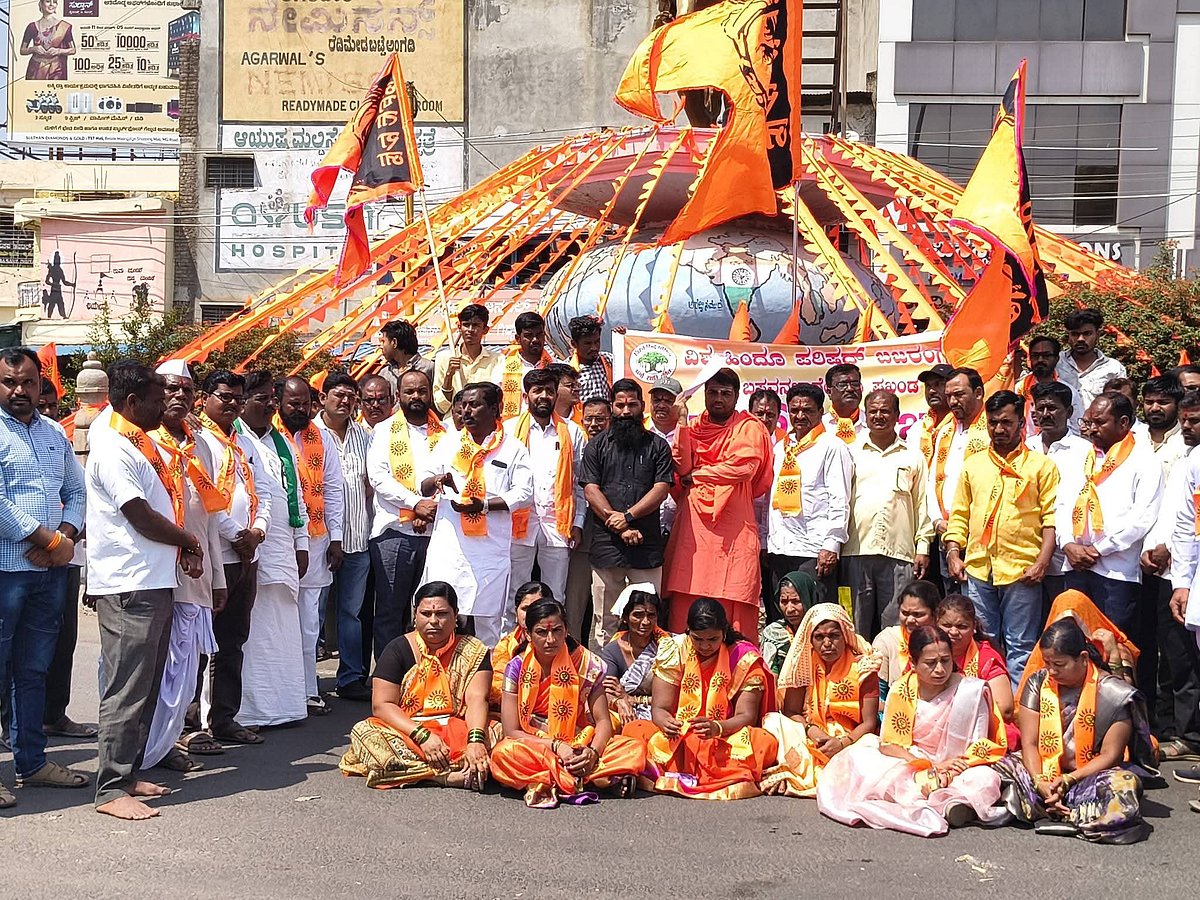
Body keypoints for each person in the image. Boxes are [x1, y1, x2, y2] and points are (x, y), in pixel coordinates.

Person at [88, 362, 203, 820]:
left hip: (152, 580)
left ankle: (128, 773)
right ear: (133, 403)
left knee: (146, 684)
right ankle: (110, 789)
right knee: (127, 688)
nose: (166, 406)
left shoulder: (136, 443)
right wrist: (188, 539)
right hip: (129, 584)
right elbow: (139, 514)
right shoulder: (113, 448)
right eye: (158, 399)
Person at [816, 625, 1007, 835]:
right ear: (914, 664)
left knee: (985, 778)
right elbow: (889, 744)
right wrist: (930, 765)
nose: (940, 669)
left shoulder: (971, 691)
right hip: (912, 761)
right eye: (930, 663)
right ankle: (946, 802)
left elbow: (978, 744)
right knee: (861, 756)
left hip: (958, 765)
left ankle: (948, 800)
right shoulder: (901, 689)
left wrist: (949, 769)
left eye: (945, 660)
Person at [0, 347, 86, 809]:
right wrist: (52, 541)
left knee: (33, 671)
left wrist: (66, 537)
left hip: (49, 572)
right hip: (5, 572)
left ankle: (31, 763)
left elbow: (76, 490)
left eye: (28, 382)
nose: (19, 390)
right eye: (10, 382)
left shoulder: (54, 432)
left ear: (40, 383)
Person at [995, 618, 1156, 843]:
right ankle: (1056, 807)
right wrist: (1040, 781)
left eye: (1059, 665)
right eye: (1047, 663)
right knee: (995, 770)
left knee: (1124, 783)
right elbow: (1029, 743)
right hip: (1042, 772)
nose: (1051, 671)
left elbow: (1112, 755)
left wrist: (1070, 779)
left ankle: (1062, 814)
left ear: (1082, 658)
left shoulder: (1113, 693)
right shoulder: (1038, 681)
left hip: (1087, 775)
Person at [142, 361, 227, 774]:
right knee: (157, 663)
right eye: (170, 389)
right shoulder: (145, 442)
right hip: (158, 570)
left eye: (186, 391)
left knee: (189, 661)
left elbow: (207, 519)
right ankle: (153, 743)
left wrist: (219, 577)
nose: (179, 397)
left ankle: (176, 734)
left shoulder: (203, 445)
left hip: (198, 573)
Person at [943, 390, 1059, 684]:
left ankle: (1019, 713)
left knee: (1021, 644)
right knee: (983, 641)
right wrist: (954, 554)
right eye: (993, 422)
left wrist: (1043, 562)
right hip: (979, 568)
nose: (999, 429)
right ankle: (988, 707)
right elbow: (959, 516)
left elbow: (1051, 520)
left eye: (1006, 422)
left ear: (1021, 423)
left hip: (1022, 569)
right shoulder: (974, 465)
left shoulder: (1041, 466)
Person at [491, 598, 645, 807]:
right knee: (503, 754)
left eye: (557, 630)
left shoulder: (587, 663)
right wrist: (556, 746)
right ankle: (593, 779)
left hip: (579, 741)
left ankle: (553, 780)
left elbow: (603, 722)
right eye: (541, 632)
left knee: (633, 747)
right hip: (537, 744)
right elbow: (512, 731)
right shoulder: (516, 667)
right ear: (527, 634)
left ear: (566, 630)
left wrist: (593, 753)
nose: (550, 639)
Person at [340, 582, 491, 790]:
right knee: (365, 732)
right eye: (426, 613)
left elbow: (477, 698)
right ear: (415, 615)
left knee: (496, 733)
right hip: (409, 731)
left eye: (442, 614)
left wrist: (475, 741)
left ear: (456, 616)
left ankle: (420, 771)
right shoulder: (398, 649)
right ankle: (443, 777)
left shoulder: (474, 650)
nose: (433, 621)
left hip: (458, 728)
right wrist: (422, 736)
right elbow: (382, 705)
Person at [419, 382, 533, 646]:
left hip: (489, 550)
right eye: (463, 405)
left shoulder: (513, 448)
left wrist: (482, 505)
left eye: (475, 405)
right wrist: (437, 479)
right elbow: (422, 484)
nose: (466, 411)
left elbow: (524, 493)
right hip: (450, 547)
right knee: (443, 614)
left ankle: (486, 683)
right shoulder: (449, 444)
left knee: (488, 622)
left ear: (494, 409)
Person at [663, 368, 774, 640]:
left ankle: (737, 669)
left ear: (736, 397)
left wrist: (698, 476)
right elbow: (682, 465)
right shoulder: (695, 427)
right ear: (704, 395)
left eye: (725, 393)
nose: (718, 399)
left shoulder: (749, 427)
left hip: (734, 527)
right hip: (694, 528)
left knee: (734, 598)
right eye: (712, 392)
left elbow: (744, 468)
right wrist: (682, 422)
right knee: (687, 592)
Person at [193, 371, 272, 746]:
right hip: (215, 554)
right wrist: (235, 534)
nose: (231, 405)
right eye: (224, 396)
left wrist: (257, 532)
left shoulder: (245, 443)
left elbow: (266, 491)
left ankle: (224, 717)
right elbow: (204, 497)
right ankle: (191, 725)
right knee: (197, 642)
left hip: (247, 555)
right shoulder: (196, 439)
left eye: (237, 399)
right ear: (205, 397)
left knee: (233, 641)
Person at [234, 372, 310, 728]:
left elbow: (299, 500)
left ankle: (284, 705)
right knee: (248, 627)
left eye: (270, 398)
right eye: (260, 398)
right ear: (242, 401)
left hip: (283, 548)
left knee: (281, 625)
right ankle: (246, 710)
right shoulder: (234, 438)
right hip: (247, 546)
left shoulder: (282, 444)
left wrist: (303, 542)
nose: (267, 405)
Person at [1057, 392, 1163, 633]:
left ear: (1123, 422)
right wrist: (1068, 545)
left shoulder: (1144, 461)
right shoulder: (1081, 457)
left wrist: (1098, 549)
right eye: (1089, 422)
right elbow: (1063, 503)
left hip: (1116, 572)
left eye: (1100, 422)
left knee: (1113, 646)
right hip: (1076, 566)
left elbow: (1143, 517)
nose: (1092, 429)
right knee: (1073, 641)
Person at [580, 379, 673, 646]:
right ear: (612, 408)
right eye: (620, 405)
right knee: (605, 619)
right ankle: (602, 678)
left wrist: (629, 517)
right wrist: (620, 525)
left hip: (646, 546)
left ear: (642, 407)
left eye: (632, 404)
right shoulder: (596, 447)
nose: (625, 411)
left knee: (648, 616)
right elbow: (590, 491)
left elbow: (661, 489)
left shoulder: (657, 446)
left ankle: (647, 678)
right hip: (607, 546)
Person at [276, 376, 345, 715]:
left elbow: (333, 490)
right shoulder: (267, 436)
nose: (301, 409)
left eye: (305, 403)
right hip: (278, 539)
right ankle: (279, 688)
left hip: (316, 539)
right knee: (276, 616)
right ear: (279, 403)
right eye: (293, 404)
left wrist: (336, 538)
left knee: (308, 620)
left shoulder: (323, 438)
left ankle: (307, 688)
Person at [760, 603, 880, 797]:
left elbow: (869, 722)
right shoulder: (803, 664)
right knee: (773, 721)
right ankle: (795, 771)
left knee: (872, 746)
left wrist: (842, 743)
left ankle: (801, 775)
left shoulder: (864, 666)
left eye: (834, 635)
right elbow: (791, 712)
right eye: (819, 637)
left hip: (851, 738)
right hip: (811, 733)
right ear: (811, 640)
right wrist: (811, 730)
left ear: (845, 636)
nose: (827, 643)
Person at [844, 389, 933, 638]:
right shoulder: (850, 452)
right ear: (865, 415)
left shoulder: (913, 456)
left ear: (897, 415)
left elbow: (921, 504)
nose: (879, 416)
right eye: (873, 411)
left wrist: (923, 547)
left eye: (885, 411)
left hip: (899, 554)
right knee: (853, 626)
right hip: (855, 551)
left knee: (896, 629)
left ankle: (893, 677)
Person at [368, 370, 444, 659]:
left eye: (422, 391)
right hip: (394, 534)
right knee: (390, 608)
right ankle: (390, 675)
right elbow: (378, 477)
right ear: (398, 396)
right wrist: (416, 505)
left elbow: (451, 476)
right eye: (409, 392)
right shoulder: (384, 430)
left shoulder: (446, 432)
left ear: (430, 393)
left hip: (435, 534)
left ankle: (426, 674)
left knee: (431, 609)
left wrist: (428, 508)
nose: (416, 397)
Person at [1144, 390, 1200, 760]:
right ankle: (1186, 735)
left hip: (1185, 570)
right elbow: (1181, 521)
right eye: (1187, 420)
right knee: (1178, 655)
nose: (1188, 427)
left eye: (1196, 421)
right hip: (1181, 571)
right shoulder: (1191, 459)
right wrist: (1181, 579)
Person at [766, 382, 852, 610]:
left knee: (815, 615)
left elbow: (839, 499)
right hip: (780, 547)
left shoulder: (833, 446)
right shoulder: (780, 448)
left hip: (814, 550)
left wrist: (832, 545)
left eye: (808, 410)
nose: (800, 416)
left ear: (820, 412)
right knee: (782, 617)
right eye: (794, 410)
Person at [505, 368, 586, 613]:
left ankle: (551, 647)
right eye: (537, 391)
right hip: (517, 523)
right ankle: (513, 646)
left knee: (556, 594)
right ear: (525, 395)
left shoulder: (572, 432)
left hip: (558, 524)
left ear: (555, 396)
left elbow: (579, 483)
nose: (543, 396)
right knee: (514, 594)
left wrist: (578, 522)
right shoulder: (508, 431)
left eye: (549, 391)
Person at [314, 372, 374, 700]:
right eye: (338, 395)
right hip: (320, 539)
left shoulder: (364, 437)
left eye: (351, 396)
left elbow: (371, 483)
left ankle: (350, 677)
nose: (345, 401)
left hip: (358, 538)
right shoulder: (309, 435)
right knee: (315, 613)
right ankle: (307, 684)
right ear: (323, 398)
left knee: (351, 613)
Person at [1027, 381, 1092, 603]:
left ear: (1069, 412)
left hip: (1066, 557)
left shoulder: (1085, 451)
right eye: (1040, 408)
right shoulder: (1025, 449)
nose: (1045, 414)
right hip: (1027, 553)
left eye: (1052, 408)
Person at [927, 367, 990, 591]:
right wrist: (936, 521)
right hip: (947, 534)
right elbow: (932, 479)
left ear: (979, 393)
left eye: (959, 395)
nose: (953, 401)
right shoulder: (944, 432)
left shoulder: (993, 430)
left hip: (982, 538)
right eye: (949, 396)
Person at [935, 594, 1017, 747]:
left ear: (973, 627)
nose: (953, 632)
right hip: (931, 730)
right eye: (946, 625)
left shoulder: (986, 657)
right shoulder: (926, 653)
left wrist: (956, 717)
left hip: (981, 734)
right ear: (936, 624)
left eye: (962, 627)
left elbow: (1005, 708)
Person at [599, 586, 668, 728]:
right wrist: (619, 702)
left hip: (661, 711)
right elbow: (605, 691)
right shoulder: (613, 651)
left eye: (651, 615)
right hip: (625, 713)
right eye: (638, 615)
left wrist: (632, 699)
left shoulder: (668, 647)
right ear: (625, 617)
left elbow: (673, 695)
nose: (645, 622)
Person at [490, 581, 552, 713]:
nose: (529, 614)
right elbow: (497, 689)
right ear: (516, 612)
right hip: (514, 712)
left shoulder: (563, 643)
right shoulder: (505, 645)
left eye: (536, 607)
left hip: (558, 711)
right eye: (525, 609)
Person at [872, 580, 938, 701]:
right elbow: (877, 697)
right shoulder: (887, 640)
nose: (910, 620)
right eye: (905, 613)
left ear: (935, 614)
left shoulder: (943, 642)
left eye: (918, 615)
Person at [431, 304, 501, 415]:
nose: (470, 330)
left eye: (476, 325)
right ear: (459, 327)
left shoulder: (498, 360)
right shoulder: (444, 358)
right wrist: (449, 376)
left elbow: (497, 400)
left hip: (484, 424)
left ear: (485, 329)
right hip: (454, 424)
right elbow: (441, 407)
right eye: (466, 325)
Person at [1055, 308, 1127, 410]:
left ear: (1097, 335)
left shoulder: (1114, 368)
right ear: (1069, 335)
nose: (1080, 339)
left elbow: (1122, 405)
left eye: (1087, 333)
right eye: (1075, 334)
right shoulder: (1056, 363)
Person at [1020, 336, 1082, 436]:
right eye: (1035, 356)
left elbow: (1077, 428)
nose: (1040, 360)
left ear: (1056, 359)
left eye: (1046, 356)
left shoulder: (1068, 391)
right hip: (1023, 448)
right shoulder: (1019, 388)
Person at [760, 571, 818, 677]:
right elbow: (771, 676)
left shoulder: (823, 629)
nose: (789, 609)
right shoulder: (774, 633)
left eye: (796, 601)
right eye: (784, 602)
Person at [500, 311, 554, 419]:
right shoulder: (501, 367)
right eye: (528, 336)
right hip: (513, 429)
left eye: (539, 335)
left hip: (550, 428)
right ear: (518, 338)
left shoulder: (555, 367)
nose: (535, 340)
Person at [646, 376, 683, 535]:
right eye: (657, 400)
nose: (661, 405)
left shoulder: (691, 432)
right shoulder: (639, 430)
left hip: (680, 522)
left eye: (669, 401)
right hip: (645, 521)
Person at [908, 363, 952, 468]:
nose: (931, 391)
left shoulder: (964, 426)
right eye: (928, 386)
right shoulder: (917, 429)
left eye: (939, 384)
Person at [20, 0, 75, 81]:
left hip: (56, 70)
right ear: (41, 4)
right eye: (48, 1)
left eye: (55, 2)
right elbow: (22, 50)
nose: (51, 5)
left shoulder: (64, 26)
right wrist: (33, 49)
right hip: (35, 69)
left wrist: (58, 51)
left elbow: (73, 50)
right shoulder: (32, 26)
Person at [378, 319, 435, 397]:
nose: (380, 347)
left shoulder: (429, 368)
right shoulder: (385, 373)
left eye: (383, 341)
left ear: (394, 342)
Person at [567, 315, 614, 404]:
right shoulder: (568, 371)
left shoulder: (608, 360)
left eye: (597, 342)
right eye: (587, 343)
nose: (594, 348)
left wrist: (623, 337)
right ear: (574, 344)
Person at [823, 363, 866, 444]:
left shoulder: (872, 424)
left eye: (855, 384)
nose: (850, 389)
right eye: (842, 385)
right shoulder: (819, 426)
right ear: (829, 392)